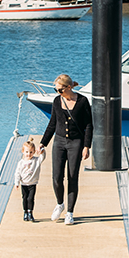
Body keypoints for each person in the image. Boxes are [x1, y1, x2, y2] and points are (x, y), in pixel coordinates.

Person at [40, 74, 92, 225]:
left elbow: (89, 125)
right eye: (56, 90)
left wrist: (86, 146)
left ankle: (70, 212)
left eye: (60, 90)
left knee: (72, 177)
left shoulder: (82, 101)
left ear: (68, 87)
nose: (58, 93)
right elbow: (52, 124)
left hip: (76, 143)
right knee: (56, 177)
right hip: (59, 142)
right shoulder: (57, 101)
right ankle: (59, 203)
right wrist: (43, 143)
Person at [14, 140, 45, 222]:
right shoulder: (21, 163)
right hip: (24, 183)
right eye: (27, 152)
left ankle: (30, 212)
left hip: (32, 183)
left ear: (34, 152)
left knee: (30, 199)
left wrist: (42, 151)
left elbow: (42, 157)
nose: (29, 154)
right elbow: (17, 173)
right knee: (24, 198)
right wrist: (17, 182)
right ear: (23, 152)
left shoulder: (36, 161)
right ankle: (25, 212)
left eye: (31, 152)